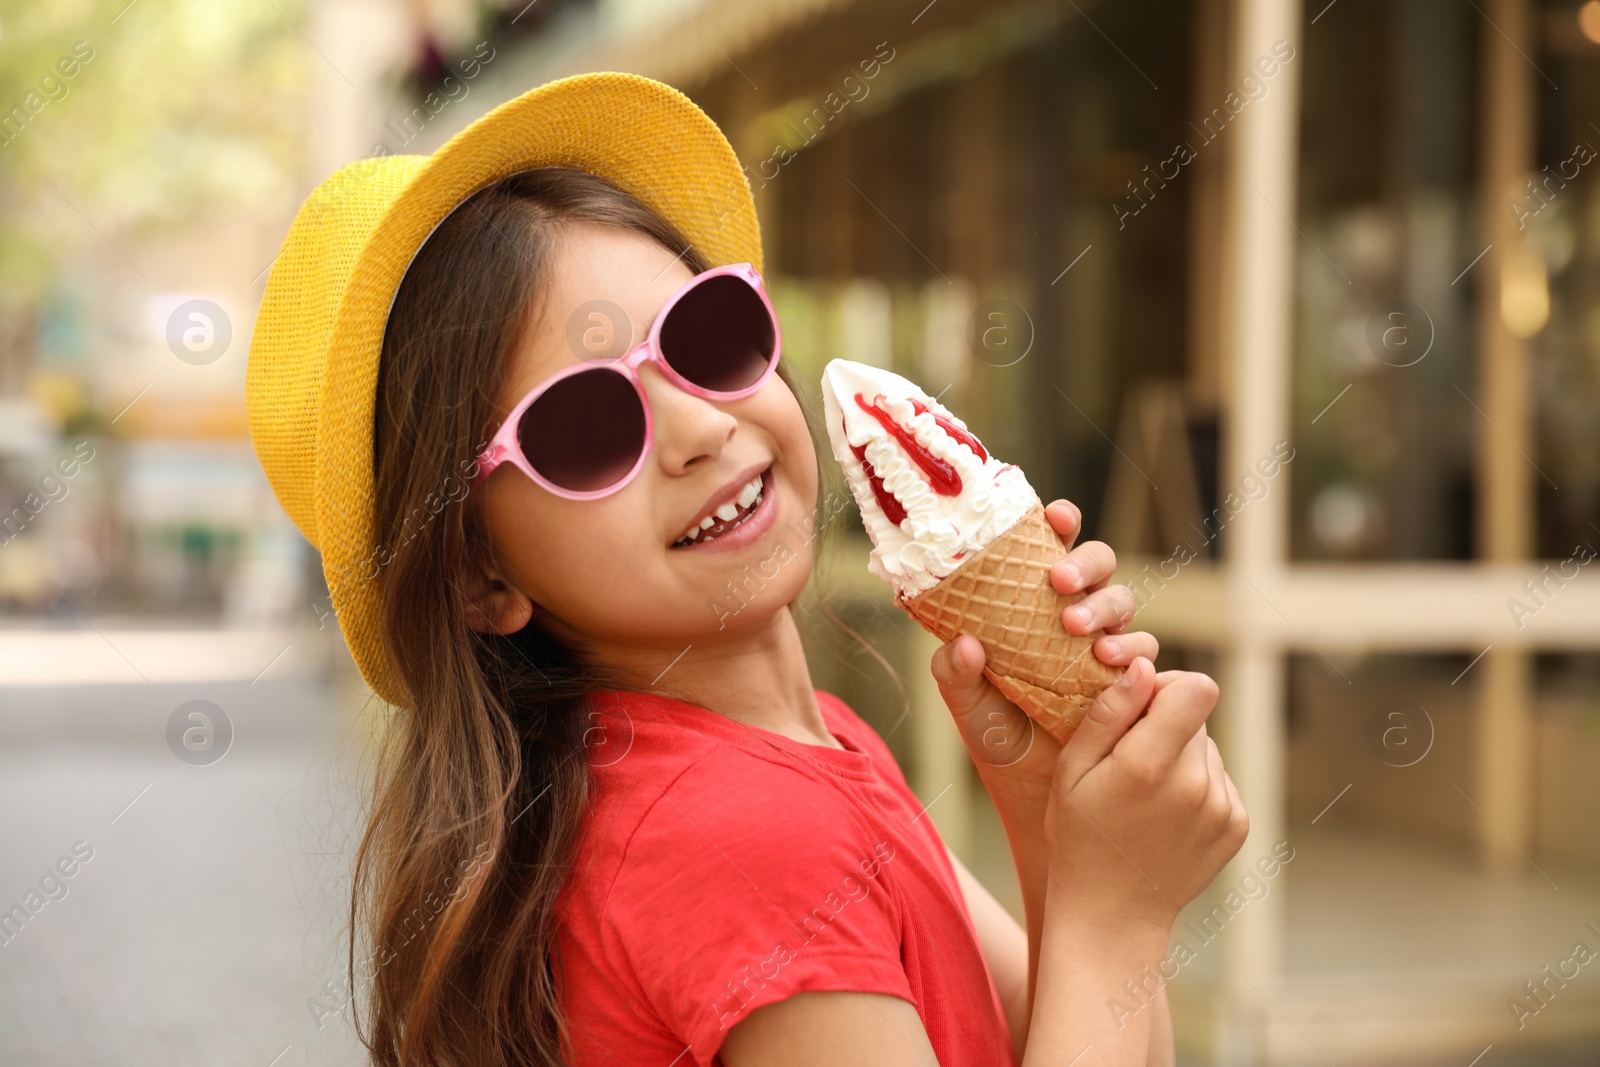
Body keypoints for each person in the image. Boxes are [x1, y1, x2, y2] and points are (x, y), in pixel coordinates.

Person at [245, 72, 1247, 1067]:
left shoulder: (805, 746)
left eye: (705, 335)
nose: (697, 425)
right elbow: (1099, 977)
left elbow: (1068, 1028)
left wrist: (1046, 804)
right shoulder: (744, 838)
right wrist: (1116, 912)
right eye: (584, 424)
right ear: (477, 574)